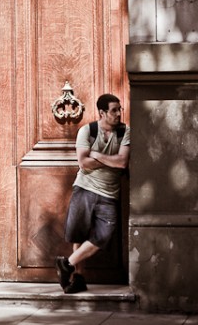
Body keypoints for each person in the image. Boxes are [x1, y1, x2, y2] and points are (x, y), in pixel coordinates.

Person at [55, 93, 130, 294]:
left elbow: (122, 162)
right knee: (79, 235)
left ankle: (67, 264)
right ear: (102, 112)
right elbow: (83, 162)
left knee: (104, 235)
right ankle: (78, 278)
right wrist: (108, 160)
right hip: (84, 188)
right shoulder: (86, 131)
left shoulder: (124, 132)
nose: (118, 114)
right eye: (114, 110)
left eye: (119, 109)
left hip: (109, 193)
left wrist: (96, 155)